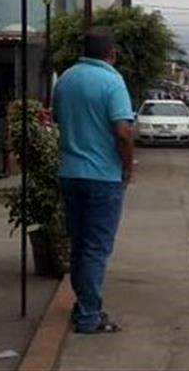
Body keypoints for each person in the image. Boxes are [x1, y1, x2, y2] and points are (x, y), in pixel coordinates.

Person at [53, 26, 134, 334]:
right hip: (102, 177)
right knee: (96, 248)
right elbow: (123, 132)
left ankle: (82, 303)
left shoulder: (66, 79)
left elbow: (60, 120)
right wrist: (127, 168)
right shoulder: (112, 81)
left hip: (70, 173)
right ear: (111, 53)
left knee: (79, 244)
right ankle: (89, 315)